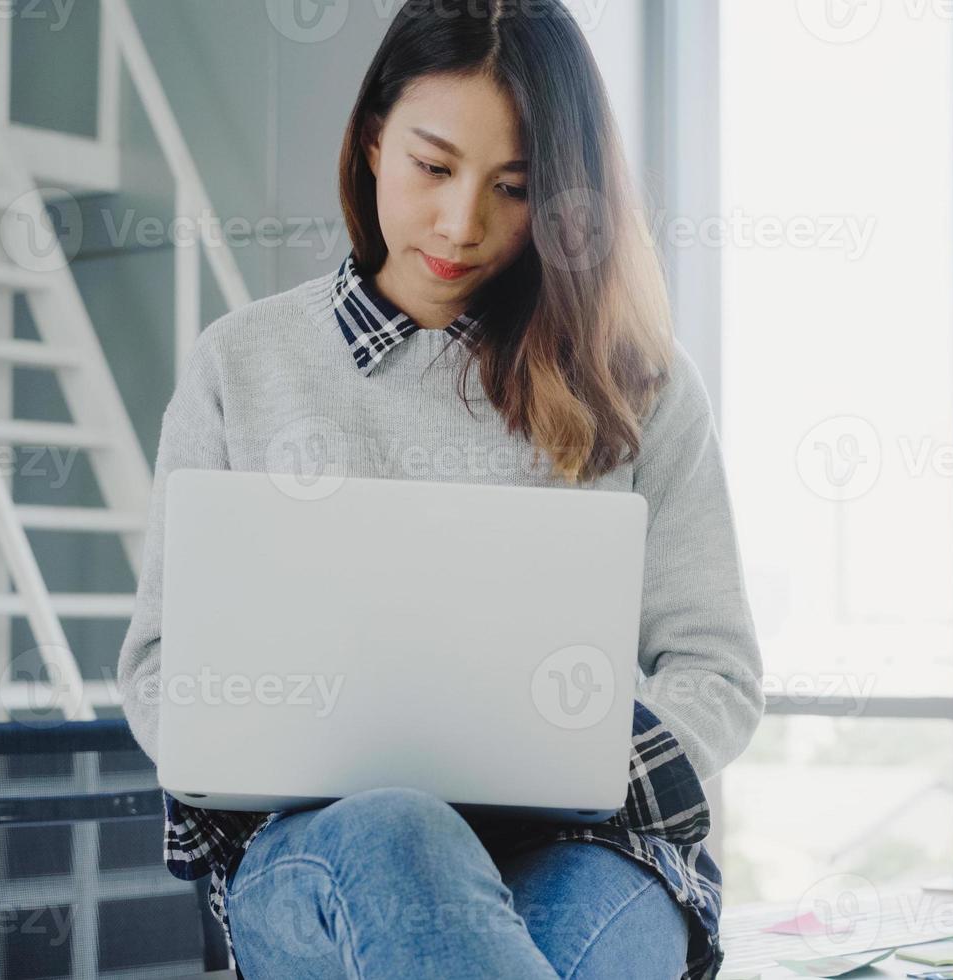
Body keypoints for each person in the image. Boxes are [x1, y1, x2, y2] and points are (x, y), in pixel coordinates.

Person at [115, 2, 764, 976]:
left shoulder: (639, 380)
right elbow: (162, 664)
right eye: (432, 166)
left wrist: (574, 761)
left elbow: (714, 672)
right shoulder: (241, 363)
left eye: (512, 187)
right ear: (373, 138)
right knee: (398, 831)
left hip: (591, 850)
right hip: (322, 852)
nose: (463, 224)